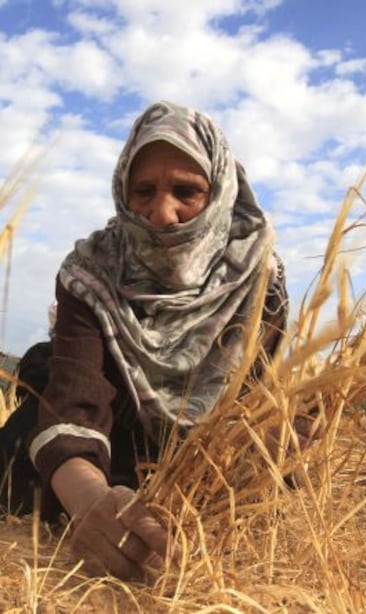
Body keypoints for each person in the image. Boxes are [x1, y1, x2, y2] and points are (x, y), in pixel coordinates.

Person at [0, 100, 288, 580]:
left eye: (186, 191)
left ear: (219, 193)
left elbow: (253, 404)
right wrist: (91, 501)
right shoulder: (89, 271)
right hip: (107, 443)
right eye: (145, 191)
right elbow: (74, 398)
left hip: (205, 457)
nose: (162, 213)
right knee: (22, 449)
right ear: (122, 191)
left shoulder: (257, 275)